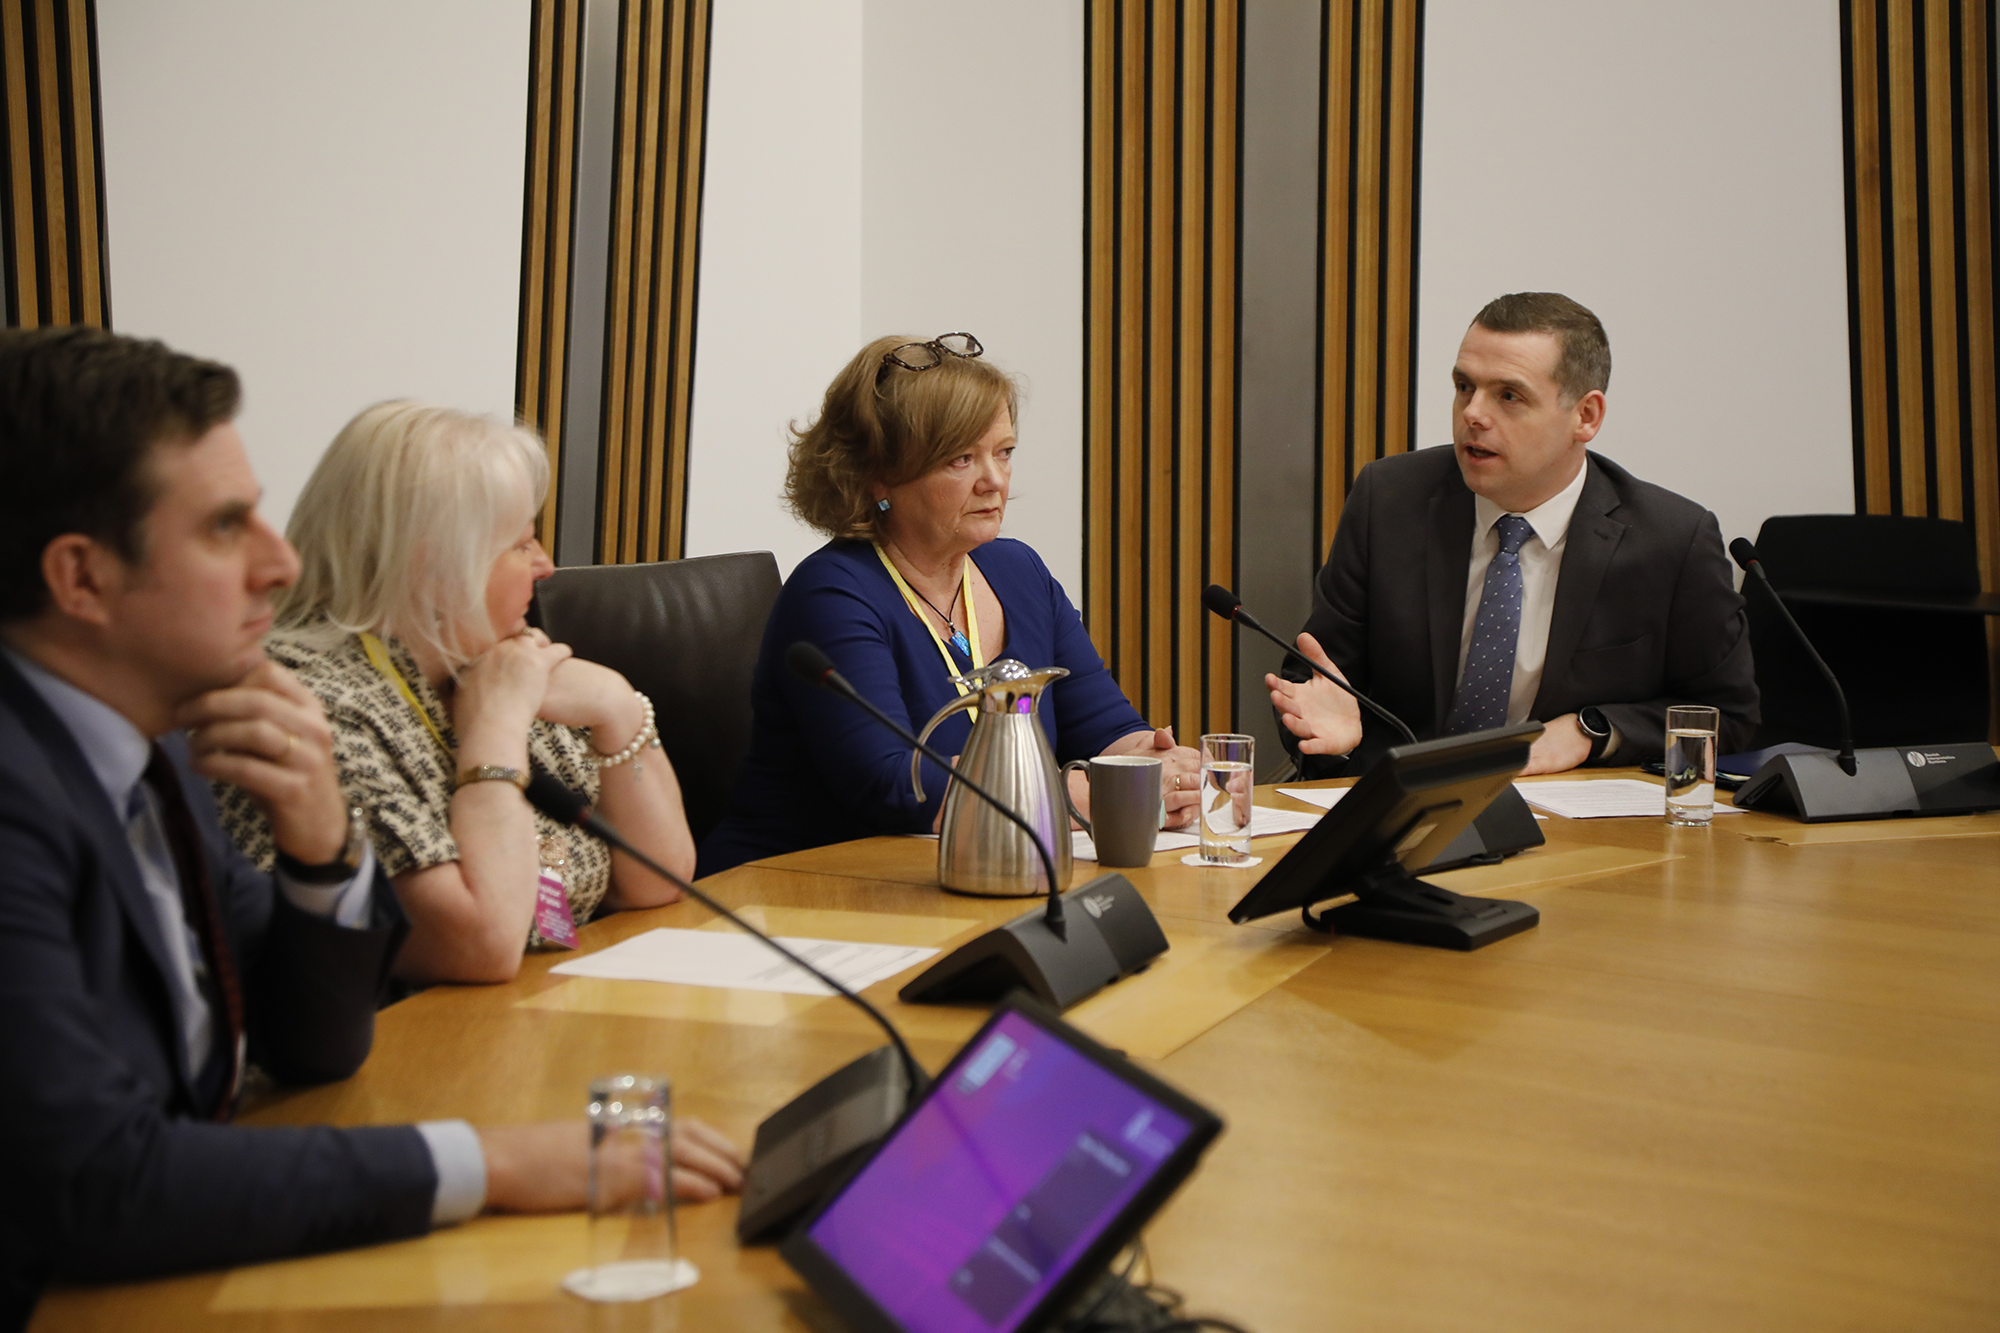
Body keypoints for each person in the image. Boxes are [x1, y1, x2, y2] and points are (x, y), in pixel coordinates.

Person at [0, 328, 740, 1324]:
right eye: (224, 526)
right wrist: (495, 1160)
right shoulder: (25, 790)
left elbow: (309, 1043)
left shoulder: (154, 745)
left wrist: (321, 851)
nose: (280, 560)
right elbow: (100, 1183)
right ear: (81, 579)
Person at [216, 402, 696, 985]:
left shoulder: (489, 656)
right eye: (521, 544)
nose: (545, 566)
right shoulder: (310, 704)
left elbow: (656, 880)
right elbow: (478, 947)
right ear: (435, 565)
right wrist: (495, 731)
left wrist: (617, 708)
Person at [700, 333, 1200, 874]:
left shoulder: (1019, 572)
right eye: (961, 459)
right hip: (796, 888)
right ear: (878, 477)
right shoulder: (832, 593)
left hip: (962, 878)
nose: (995, 481)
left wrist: (1157, 767)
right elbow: (893, 784)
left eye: (1004, 452)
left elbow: (1105, 727)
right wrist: (1087, 795)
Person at [1270, 292, 1758, 777]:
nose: (1473, 414)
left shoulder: (1671, 540)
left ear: (1586, 416)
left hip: (1566, 814)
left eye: (1509, 395)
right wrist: (1337, 747)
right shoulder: (1391, 501)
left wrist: (1592, 731)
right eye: (1464, 386)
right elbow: (1314, 681)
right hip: (1404, 802)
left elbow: (1728, 717)